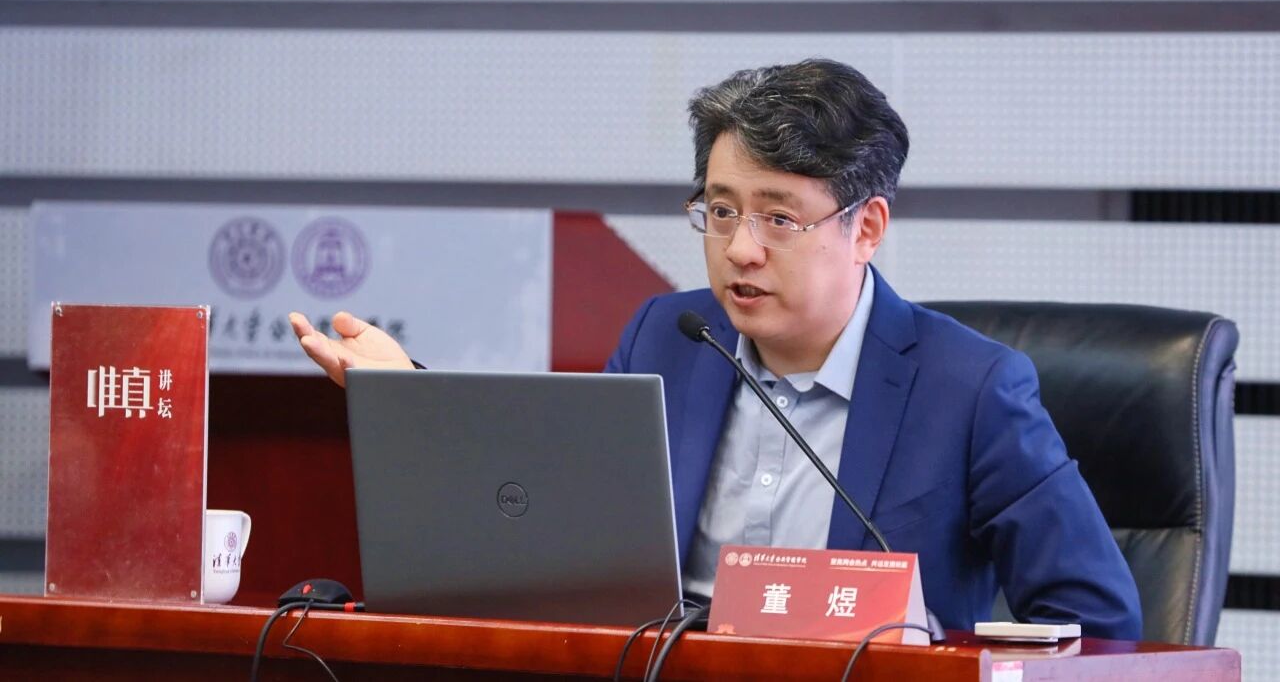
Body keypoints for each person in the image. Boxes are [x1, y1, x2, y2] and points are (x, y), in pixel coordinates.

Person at [290, 59, 1142, 639]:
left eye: (779, 217)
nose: (740, 248)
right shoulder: (668, 336)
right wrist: (411, 399)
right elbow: (551, 525)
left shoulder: (972, 388)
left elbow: (1100, 624)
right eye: (722, 209)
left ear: (866, 227)